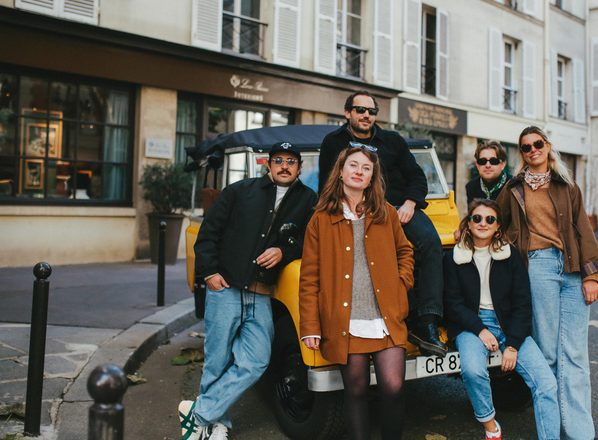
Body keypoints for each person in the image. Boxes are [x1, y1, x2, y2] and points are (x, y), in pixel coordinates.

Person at [179, 142, 318, 440]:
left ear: (299, 167)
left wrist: (284, 250)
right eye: (278, 160)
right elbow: (208, 234)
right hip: (226, 285)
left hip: (263, 292)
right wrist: (210, 274)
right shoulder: (240, 191)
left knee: (256, 360)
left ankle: (199, 413)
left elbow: (313, 239)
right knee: (217, 360)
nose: (284, 165)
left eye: (291, 161)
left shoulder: (308, 199)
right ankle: (217, 425)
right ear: (267, 165)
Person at [318, 90, 446, 357]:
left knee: (431, 243)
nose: (366, 115)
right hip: (359, 209)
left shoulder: (393, 140)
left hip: (399, 208)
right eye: (360, 110)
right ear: (348, 113)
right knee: (377, 258)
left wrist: (411, 203)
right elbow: (327, 184)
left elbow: (416, 176)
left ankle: (427, 321)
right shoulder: (333, 142)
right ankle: (396, 316)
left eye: (371, 111)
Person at [497, 126, 598, 440]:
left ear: (547, 146)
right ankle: (551, 429)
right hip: (538, 267)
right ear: (522, 153)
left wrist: (591, 274)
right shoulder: (513, 188)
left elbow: (583, 228)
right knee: (548, 354)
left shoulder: (566, 185)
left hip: (571, 268)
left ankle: (580, 433)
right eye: (526, 146)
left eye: (538, 144)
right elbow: (496, 221)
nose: (533, 150)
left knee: (575, 354)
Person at [300, 145, 414, 440]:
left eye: (366, 168)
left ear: (372, 177)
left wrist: (401, 284)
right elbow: (309, 277)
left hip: (386, 316)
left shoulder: (386, 213)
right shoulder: (320, 220)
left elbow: (406, 252)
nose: (359, 172)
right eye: (353, 165)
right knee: (356, 389)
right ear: (340, 172)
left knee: (393, 386)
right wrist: (310, 326)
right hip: (346, 322)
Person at [444, 198, 559, 440]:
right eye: (477, 218)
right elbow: (453, 304)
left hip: (509, 325)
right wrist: (480, 330)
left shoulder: (511, 257)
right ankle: (491, 428)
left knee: (546, 384)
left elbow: (522, 303)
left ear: (498, 227)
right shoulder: (455, 257)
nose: (482, 223)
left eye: (489, 219)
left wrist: (513, 345)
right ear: (468, 224)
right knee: (474, 371)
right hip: (471, 327)